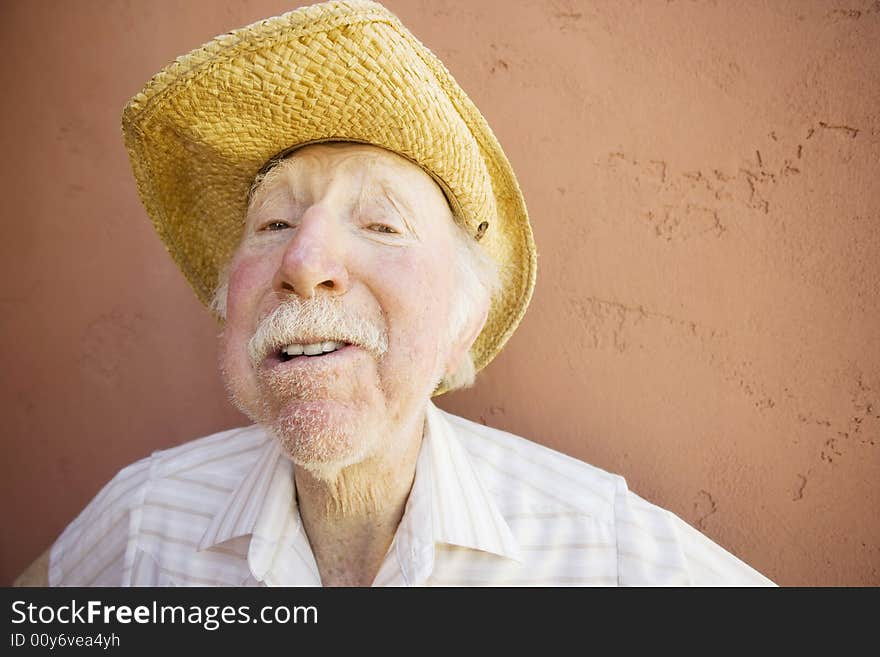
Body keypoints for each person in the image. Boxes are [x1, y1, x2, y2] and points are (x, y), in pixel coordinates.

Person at [15, 0, 773, 587]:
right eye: (273, 220)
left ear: (462, 318)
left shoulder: (596, 549)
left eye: (380, 224)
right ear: (226, 305)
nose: (305, 261)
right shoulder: (146, 521)